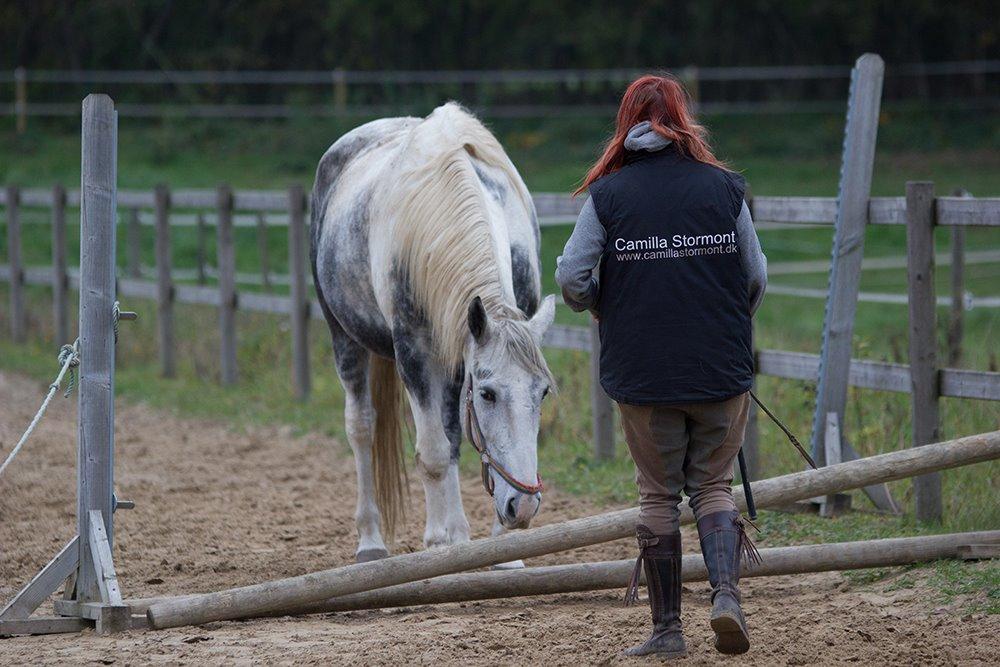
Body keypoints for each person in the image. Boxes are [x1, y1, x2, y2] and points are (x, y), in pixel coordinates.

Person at [555, 74, 767, 659]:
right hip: (720, 368)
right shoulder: (725, 188)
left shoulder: (609, 196)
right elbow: (756, 278)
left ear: (627, 124)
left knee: (657, 495)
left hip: (643, 375)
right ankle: (726, 597)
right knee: (714, 487)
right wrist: (722, 320)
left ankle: (668, 631)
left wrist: (603, 304)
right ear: (682, 119)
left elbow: (571, 279)